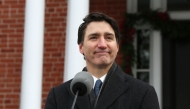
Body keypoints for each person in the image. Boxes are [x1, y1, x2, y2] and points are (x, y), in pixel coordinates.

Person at [44, 12, 160, 109]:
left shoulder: (143, 93)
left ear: (117, 46)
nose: (102, 45)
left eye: (109, 38)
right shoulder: (58, 96)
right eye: (94, 37)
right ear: (81, 47)